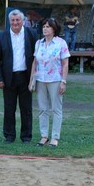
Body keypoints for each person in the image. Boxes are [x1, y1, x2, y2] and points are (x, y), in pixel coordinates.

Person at [0, 9, 38, 144]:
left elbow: (37, 57)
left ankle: (26, 136)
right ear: (9, 21)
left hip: (26, 77)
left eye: (18, 20)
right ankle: (9, 136)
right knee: (9, 108)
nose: (15, 23)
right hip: (9, 78)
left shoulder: (32, 34)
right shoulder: (2, 35)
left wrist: (34, 78)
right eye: (13, 20)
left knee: (26, 109)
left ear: (23, 21)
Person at [28, 18, 70, 148]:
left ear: (54, 29)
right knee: (42, 109)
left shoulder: (61, 43)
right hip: (41, 80)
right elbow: (35, 62)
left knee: (56, 109)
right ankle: (44, 136)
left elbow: (65, 63)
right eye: (44, 26)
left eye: (48, 26)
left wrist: (63, 81)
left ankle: (55, 137)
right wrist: (31, 80)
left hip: (55, 80)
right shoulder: (39, 43)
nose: (45, 28)